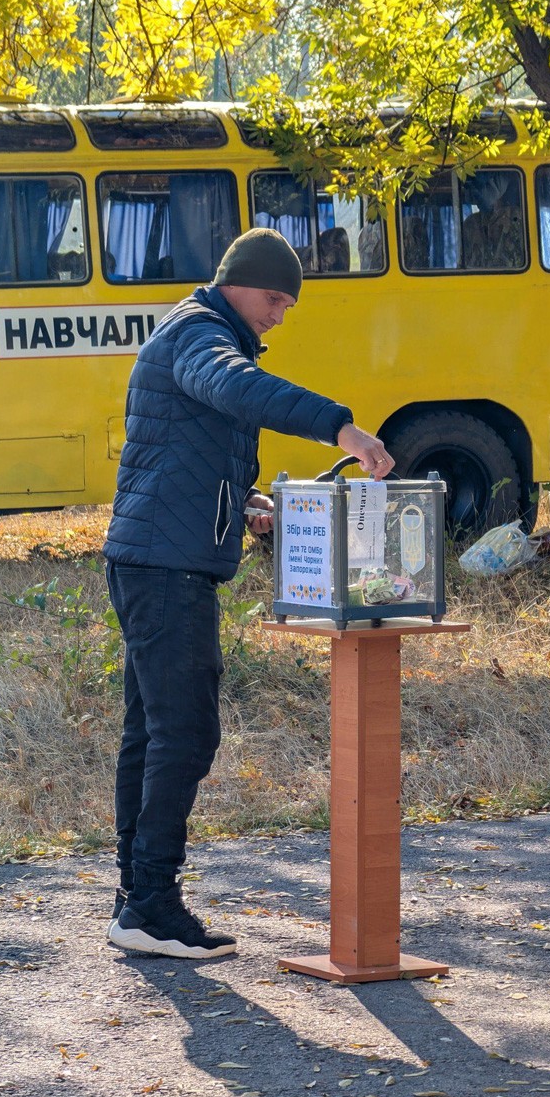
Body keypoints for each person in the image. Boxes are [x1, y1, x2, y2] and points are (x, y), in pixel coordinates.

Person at [103, 227, 394, 959]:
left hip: (155, 557)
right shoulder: (202, 336)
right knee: (187, 733)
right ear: (238, 282)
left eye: (288, 304)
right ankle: (152, 905)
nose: (279, 315)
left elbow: (189, 453)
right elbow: (233, 387)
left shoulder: (193, 330)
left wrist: (248, 504)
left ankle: (135, 896)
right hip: (166, 570)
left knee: (151, 734)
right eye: (274, 299)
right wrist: (341, 429)